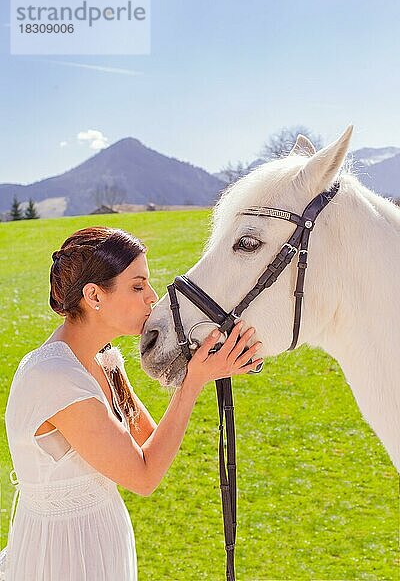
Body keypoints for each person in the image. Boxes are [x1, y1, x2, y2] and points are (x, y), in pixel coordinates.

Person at [3, 226, 263, 580]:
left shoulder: (103, 358)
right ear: (94, 296)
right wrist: (193, 382)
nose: (152, 297)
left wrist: (206, 365)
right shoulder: (56, 378)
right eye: (138, 286)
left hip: (100, 537)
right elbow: (143, 476)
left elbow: (148, 441)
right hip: (64, 556)